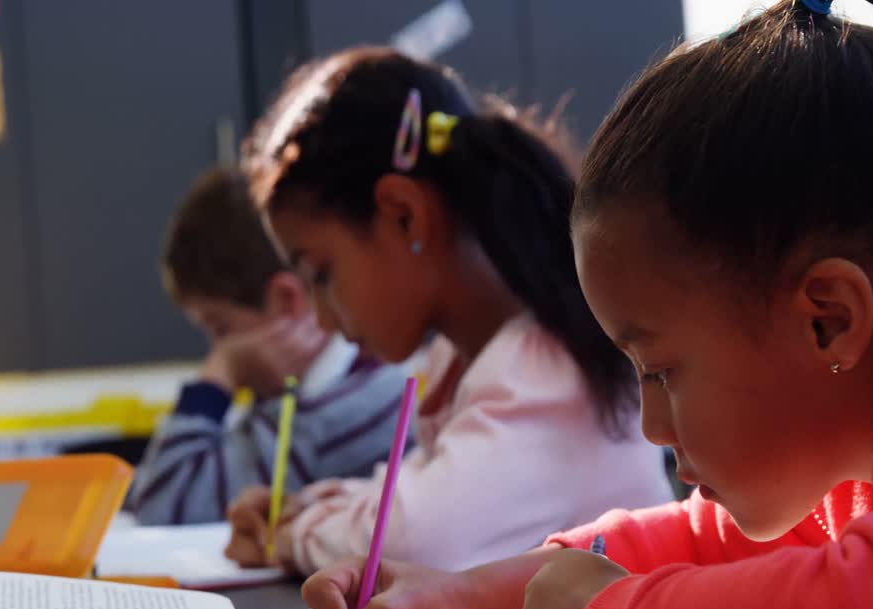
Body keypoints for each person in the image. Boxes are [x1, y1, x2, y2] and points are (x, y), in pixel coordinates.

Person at [296, 2, 873, 609]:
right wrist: (464, 603)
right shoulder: (853, 463)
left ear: (828, 321)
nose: (652, 429)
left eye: (663, 371)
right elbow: (701, 541)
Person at [225, 48, 670, 573]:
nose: (323, 320)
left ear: (405, 216)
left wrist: (290, 534)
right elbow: (414, 491)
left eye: (322, 274)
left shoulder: (543, 371)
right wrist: (305, 509)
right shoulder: (469, 356)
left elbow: (414, 541)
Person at [129, 167, 408, 525]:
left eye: (221, 327)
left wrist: (220, 374)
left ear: (286, 300)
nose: (218, 348)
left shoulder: (342, 412)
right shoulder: (304, 395)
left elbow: (162, 501)